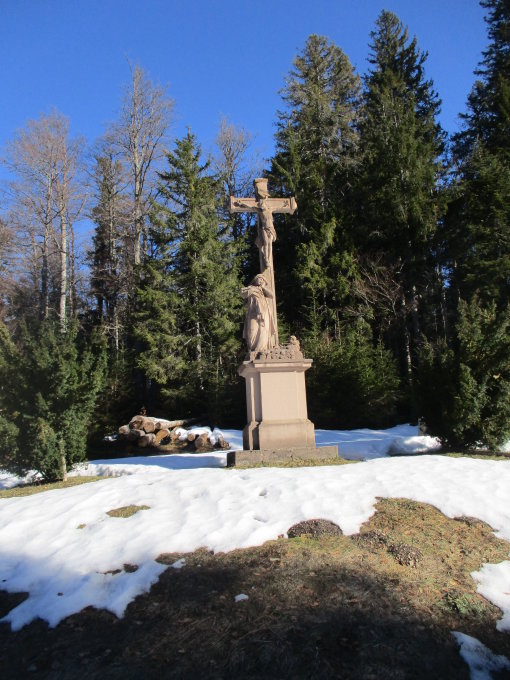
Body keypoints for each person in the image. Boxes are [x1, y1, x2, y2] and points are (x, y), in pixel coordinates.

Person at [241, 274, 276, 352]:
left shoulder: (263, 290)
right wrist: (252, 290)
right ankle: (252, 349)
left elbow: (272, 295)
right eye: (259, 278)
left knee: (263, 330)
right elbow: (242, 294)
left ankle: (261, 349)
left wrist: (263, 287)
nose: (261, 280)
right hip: (253, 313)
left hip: (264, 312)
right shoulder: (251, 288)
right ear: (255, 280)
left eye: (263, 279)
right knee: (252, 331)